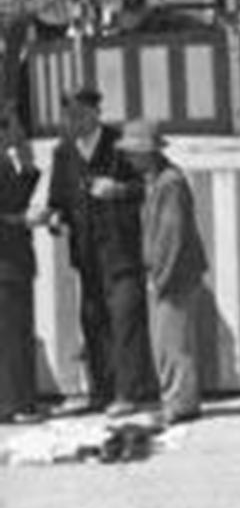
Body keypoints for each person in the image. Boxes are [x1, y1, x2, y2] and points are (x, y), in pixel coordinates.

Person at [44, 85, 156, 411]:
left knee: (125, 321)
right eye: (67, 116)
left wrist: (118, 189)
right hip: (86, 256)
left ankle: (128, 394)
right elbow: (58, 202)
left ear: (96, 113)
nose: (72, 121)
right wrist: (54, 218)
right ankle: (102, 392)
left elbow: (148, 185)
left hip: (122, 251)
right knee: (93, 324)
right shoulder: (63, 152)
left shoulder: (121, 144)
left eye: (79, 114)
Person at [116, 118, 209, 424]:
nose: (128, 158)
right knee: (167, 341)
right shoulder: (156, 179)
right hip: (168, 272)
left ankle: (180, 403)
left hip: (175, 274)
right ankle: (177, 400)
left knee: (173, 343)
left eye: (132, 152)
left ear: (147, 152)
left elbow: (172, 236)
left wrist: (162, 278)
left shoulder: (169, 182)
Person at [0, 100, 41, 422]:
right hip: (6, 263)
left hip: (16, 262)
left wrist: (20, 139)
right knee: (11, 335)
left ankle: (21, 400)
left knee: (19, 332)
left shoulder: (6, 164)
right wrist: (19, 221)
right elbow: (14, 210)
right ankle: (14, 403)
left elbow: (27, 177)